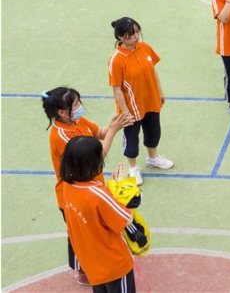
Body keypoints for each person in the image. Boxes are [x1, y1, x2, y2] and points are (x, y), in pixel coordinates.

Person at [43, 87, 132, 286]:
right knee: (80, 234)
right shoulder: (62, 136)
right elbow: (95, 159)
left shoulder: (78, 121)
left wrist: (112, 126)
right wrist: (114, 131)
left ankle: (92, 267)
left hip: (92, 188)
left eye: (79, 101)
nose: (80, 106)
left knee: (94, 231)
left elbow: (99, 133)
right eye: (75, 104)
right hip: (74, 194)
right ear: (62, 112)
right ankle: (83, 270)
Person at [60, 136, 137, 292]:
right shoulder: (97, 195)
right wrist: (121, 185)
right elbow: (127, 219)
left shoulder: (67, 187)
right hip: (114, 265)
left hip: (92, 264)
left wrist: (108, 194)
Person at [108, 17, 174, 186]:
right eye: (132, 34)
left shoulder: (144, 48)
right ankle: (133, 168)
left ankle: (153, 158)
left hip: (150, 101)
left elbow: (153, 71)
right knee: (131, 139)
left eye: (138, 32)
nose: (137, 36)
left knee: (153, 132)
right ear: (121, 37)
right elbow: (117, 88)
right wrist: (125, 112)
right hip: (132, 108)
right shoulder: (116, 59)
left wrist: (159, 91)